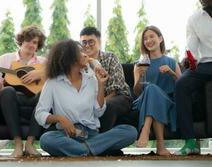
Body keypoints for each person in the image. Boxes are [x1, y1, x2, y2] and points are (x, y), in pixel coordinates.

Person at [35, 39, 137, 157]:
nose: (85, 54)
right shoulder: (53, 83)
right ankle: (97, 148)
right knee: (46, 139)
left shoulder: (91, 79)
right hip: (67, 135)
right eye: (80, 52)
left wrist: (101, 84)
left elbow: (99, 112)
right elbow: (40, 113)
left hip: (92, 134)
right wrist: (60, 119)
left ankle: (84, 149)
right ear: (68, 58)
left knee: (130, 131)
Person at [0, 25, 46, 157]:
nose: (31, 44)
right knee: (6, 91)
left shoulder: (43, 62)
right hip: (12, 103)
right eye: (28, 40)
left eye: (35, 42)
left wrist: (39, 73)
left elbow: (55, 79)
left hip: (34, 104)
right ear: (21, 40)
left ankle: (29, 144)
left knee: (45, 93)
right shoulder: (5, 59)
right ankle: (17, 144)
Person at [132, 26, 182, 156]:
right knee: (151, 88)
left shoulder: (171, 62)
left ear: (160, 39)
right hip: (144, 103)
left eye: (151, 36)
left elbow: (182, 87)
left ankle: (145, 128)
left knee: (152, 89)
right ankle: (161, 147)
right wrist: (141, 76)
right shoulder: (139, 64)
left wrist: (171, 73)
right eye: (145, 39)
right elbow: (137, 92)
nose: (148, 40)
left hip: (167, 103)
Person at [175, 0, 212, 155]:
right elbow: (192, 49)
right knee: (181, 84)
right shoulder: (194, 19)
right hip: (206, 65)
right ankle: (190, 142)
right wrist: (189, 59)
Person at [79, 27, 132, 133]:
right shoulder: (79, 63)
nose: (87, 45)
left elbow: (115, 90)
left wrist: (97, 106)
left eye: (91, 42)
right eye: (84, 42)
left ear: (99, 42)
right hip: (92, 102)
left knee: (108, 107)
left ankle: (98, 143)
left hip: (118, 97)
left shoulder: (110, 57)